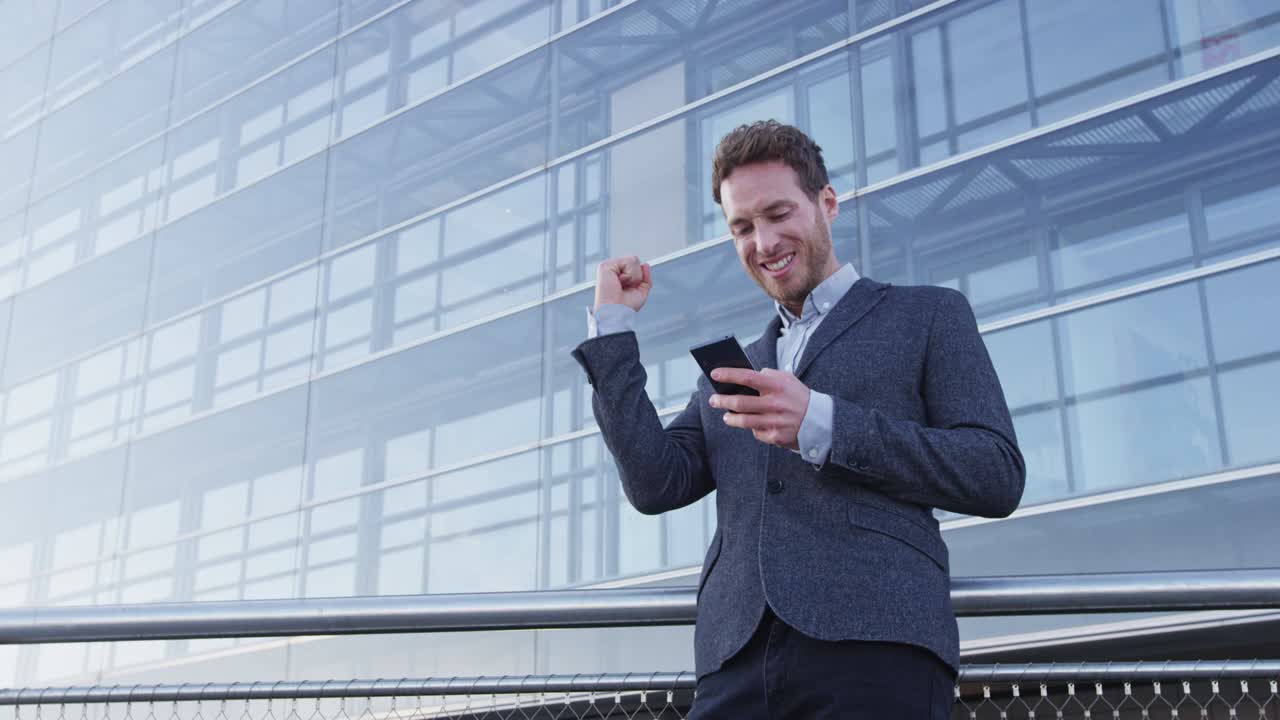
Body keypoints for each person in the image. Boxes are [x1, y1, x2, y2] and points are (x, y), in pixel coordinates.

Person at [571, 120, 1025, 719]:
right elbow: (655, 483)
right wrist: (614, 329)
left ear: (827, 203)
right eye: (742, 227)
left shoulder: (929, 315)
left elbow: (994, 472)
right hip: (735, 660)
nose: (763, 241)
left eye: (778, 213)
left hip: (876, 645)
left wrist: (824, 424)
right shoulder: (733, 371)